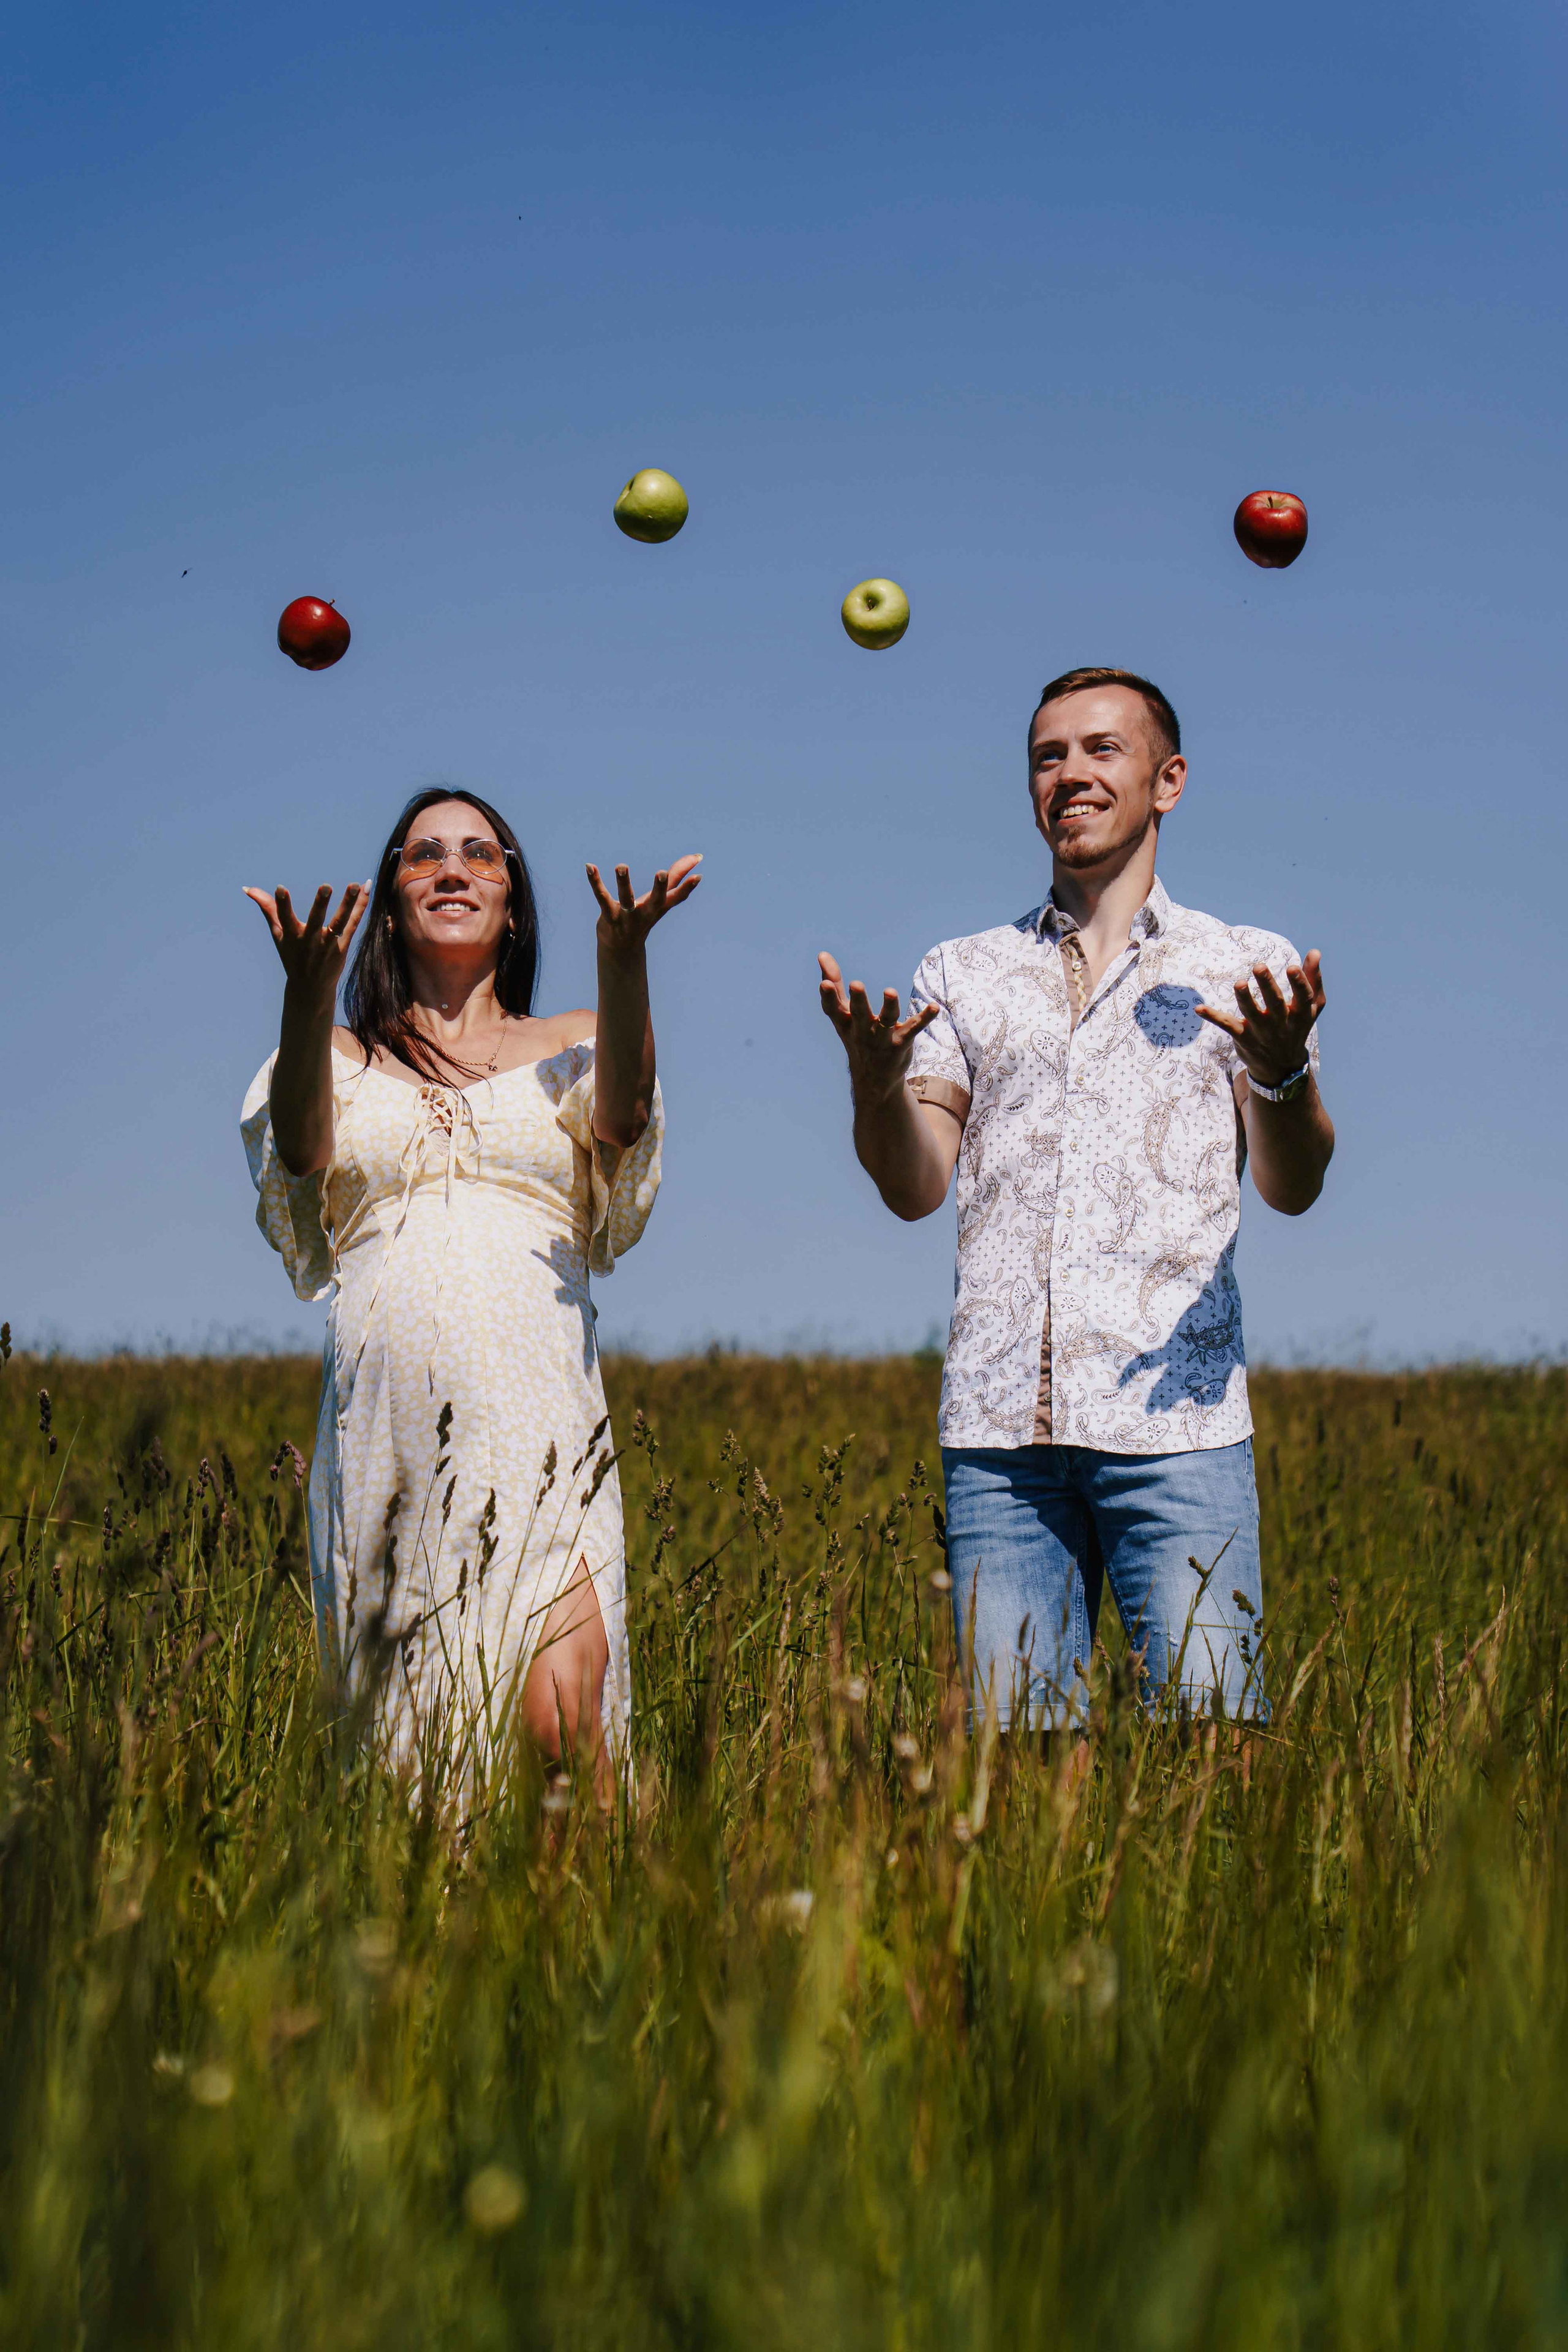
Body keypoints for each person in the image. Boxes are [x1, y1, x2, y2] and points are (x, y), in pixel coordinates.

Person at [818, 666, 1332, 1733]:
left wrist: (1283, 1073)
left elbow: (1293, 1184)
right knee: (1012, 1776)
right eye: (1049, 756)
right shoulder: (962, 971)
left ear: (1169, 780)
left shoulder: (1247, 968)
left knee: (1211, 1756)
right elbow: (915, 1184)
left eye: (1102, 749)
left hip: (1178, 1429)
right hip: (1002, 1439)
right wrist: (875, 1083)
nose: (1072, 774)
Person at [241, 788, 699, 1790]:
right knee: (410, 1759)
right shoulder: (335, 1057)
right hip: (391, 1439)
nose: (454, 870)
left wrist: (625, 959)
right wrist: (304, 992)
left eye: (481, 856)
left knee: (564, 1742)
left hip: (542, 1426)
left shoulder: (573, 1041)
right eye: (425, 857)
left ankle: (578, 1945)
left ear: (515, 905)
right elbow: (305, 1150)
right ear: (393, 903)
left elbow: (621, 1118)